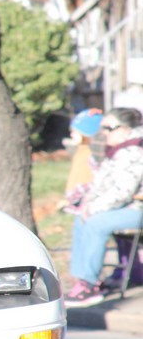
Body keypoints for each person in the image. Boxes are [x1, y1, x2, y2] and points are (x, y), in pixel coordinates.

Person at [64, 108, 143, 308]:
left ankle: (88, 285)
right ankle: (81, 280)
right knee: (81, 218)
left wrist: (95, 208)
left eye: (110, 128)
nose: (104, 133)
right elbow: (101, 184)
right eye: (103, 128)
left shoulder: (135, 150)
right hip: (125, 207)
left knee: (96, 223)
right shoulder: (117, 150)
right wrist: (87, 204)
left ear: (126, 129)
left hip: (137, 208)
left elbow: (123, 192)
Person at [61, 108, 103, 214]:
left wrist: (70, 198)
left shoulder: (88, 154)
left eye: (75, 131)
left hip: (82, 202)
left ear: (87, 134)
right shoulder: (81, 150)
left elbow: (84, 179)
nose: (71, 134)